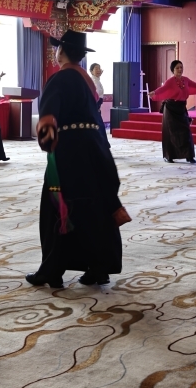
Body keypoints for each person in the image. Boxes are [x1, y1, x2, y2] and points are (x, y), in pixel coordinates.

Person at [27, 30, 127, 288]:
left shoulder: (59, 78)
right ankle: (98, 268)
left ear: (61, 51)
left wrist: (48, 146)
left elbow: (47, 118)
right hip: (95, 148)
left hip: (69, 152)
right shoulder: (87, 82)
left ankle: (52, 271)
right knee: (94, 206)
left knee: (59, 206)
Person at [150, 60, 196, 164]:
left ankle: (189, 156)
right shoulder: (170, 81)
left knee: (186, 132)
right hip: (170, 109)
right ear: (173, 70)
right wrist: (155, 92)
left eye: (181, 67)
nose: (180, 69)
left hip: (181, 108)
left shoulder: (186, 80)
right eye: (177, 68)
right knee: (171, 133)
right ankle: (169, 156)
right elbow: (163, 89)